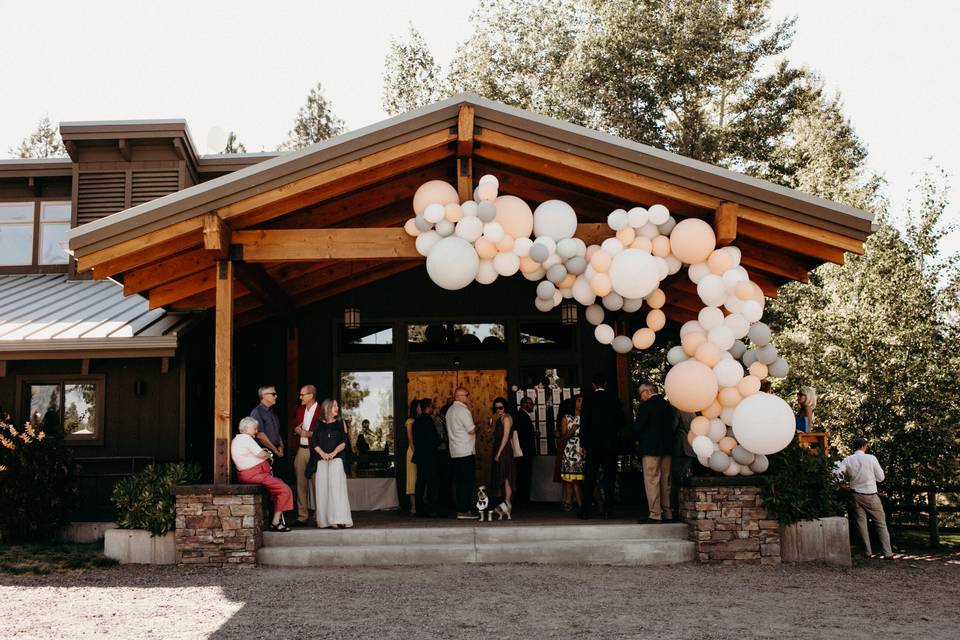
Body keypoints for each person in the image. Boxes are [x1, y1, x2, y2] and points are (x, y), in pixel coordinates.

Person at [232, 416, 293, 532]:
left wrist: (266, 453)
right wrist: (269, 455)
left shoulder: (237, 439)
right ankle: (275, 522)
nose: (256, 431)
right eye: (254, 428)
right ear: (247, 428)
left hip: (253, 474)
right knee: (285, 489)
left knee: (279, 485)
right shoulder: (246, 439)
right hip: (255, 474)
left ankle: (276, 521)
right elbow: (261, 454)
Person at [838, 437, 893, 558]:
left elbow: (837, 474)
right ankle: (888, 553)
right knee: (881, 524)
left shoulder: (848, 459)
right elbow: (881, 478)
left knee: (861, 524)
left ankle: (867, 552)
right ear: (865, 446)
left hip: (855, 495)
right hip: (871, 495)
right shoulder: (871, 458)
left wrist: (842, 485)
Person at [579, 373, 623, 520]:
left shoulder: (588, 399)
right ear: (605, 384)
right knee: (609, 477)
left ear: (593, 385)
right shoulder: (614, 399)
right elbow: (620, 421)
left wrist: (582, 444)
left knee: (590, 477)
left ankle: (585, 510)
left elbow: (584, 423)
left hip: (593, 444)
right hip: (610, 444)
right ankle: (608, 510)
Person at [634, 382, 676, 523]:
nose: (641, 398)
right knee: (666, 480)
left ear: (646, 392)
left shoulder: (646, 406)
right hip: (667, 448)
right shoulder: (667, 406)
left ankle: (655, 514)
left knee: (652, 480)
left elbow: (638, 428)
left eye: (641, 394)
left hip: (650, 448)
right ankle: (668, 512)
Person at [308, 399, 353, 529]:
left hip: (337, 460)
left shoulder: (340, 423)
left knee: (337, 489)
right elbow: (314, 442)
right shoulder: (318, 424)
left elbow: (345, 442)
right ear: (327, 408)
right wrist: (322, 454)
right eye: (335, 406)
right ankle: (326, 520)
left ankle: (338, 518)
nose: (337, 407)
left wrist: (333, 453)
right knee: (323, 490)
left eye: (337, 405)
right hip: (322, 461)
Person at [446, 386, 478, 519]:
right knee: (467, 482)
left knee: (459, 482)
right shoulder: (463, 411)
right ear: (458, 396)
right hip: (465, 450)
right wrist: (478, 427)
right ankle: (465, 511)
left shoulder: (449, 411)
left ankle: (460, 508)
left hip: (455, 451)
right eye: (466, 395)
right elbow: (471, 430)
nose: (468, 397)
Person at [291, 385, 321, 525]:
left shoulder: (322, 410)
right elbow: (297, 430)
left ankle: (319, 516)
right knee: (300, 484)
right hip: (301, 450)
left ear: (311, 395)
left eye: (303, 395)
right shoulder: (299, 410)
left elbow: (324, 433)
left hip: (316, 452)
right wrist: (296, 430)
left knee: (317, 484)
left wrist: (307, 434)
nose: (300, 397)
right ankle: (302, 516)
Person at [412, 397, 441, 517]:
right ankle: (431, 509)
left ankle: (419, 509)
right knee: (431, 482)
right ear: (428, 407)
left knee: (420, 482)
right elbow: (433, 438)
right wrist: (441, 440)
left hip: (419, 455)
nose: (433, 408)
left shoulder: (416, 421)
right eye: (432, 406)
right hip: (429, 456)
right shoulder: (428, 420)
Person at [250, 385, 285, 479]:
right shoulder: (257, 412)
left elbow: (277, 432)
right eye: (273, 394)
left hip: (276, 453)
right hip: (265, 454)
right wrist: (275, 450)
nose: (276, 396)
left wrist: (281, 447)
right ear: (264, 396)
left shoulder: (273, 412)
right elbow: (260, 435)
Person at [489, 397, 516, 517]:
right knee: (500, 475)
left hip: (504, 450)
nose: (499, 410)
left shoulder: (506, 418)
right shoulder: (499, 419)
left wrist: (499, 453)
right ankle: (503, 504)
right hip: (499, 448)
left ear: (505, 407)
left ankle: (507, 504)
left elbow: (505, 437)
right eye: (496, 408)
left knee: (506, 475)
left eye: (501, 407)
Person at [559, 394, 584, 512]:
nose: (581, 403)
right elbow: (563, 438)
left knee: (585, 478)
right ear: (574, 403)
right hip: (571, 452)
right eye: (579, 401)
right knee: (574, 480)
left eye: (583, 401)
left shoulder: (586, 416)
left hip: (583, 450)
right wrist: (572, 430)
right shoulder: (567, 418)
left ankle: (577, 503)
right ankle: (580, 506)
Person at [513, 395, 536, 507]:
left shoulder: (522, 415)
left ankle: (522, 499)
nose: (533, 406)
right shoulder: (522, 416)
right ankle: (522, 500)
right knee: (524, 475)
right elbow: (522, 435)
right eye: (531, 403)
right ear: (524, 404)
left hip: (524, 452)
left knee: (524, 475)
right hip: (524, 452)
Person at [405, 399, 420, 515]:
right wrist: (416, 453)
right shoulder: (410, 421)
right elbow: (410, 440)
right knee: (412, 478)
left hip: (419, 451)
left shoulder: (420, 420)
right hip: (413, 451)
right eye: (419, 407)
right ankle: (413, 507)